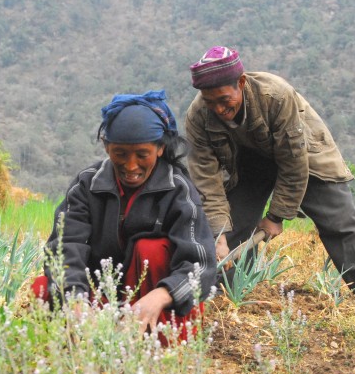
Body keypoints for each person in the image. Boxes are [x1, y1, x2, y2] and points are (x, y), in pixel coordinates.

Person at [184, 46, 355, 298]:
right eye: (210, 102)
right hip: (249, 164)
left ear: (241, 83)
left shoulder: (275, 96)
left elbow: (294, 161)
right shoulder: (198, 116)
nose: (218, 109)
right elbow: (206, 181)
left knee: (340, 221)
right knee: (229, 227)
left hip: (304, 153)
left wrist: (277, 215)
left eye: (223, 100)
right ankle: (226, 294)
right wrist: (218, 234)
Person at [32, 90, 217, 340]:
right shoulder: (87, 184)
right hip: (103, 299)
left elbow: (200, 264)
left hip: (157, 306)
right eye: (120, 154)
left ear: (160, 148)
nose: (131, 166)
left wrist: (162, 295)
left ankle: (158, 344)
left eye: (142, 155)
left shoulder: (178, 190)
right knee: (43, 289)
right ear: (107, 147)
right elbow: (65, 246)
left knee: (150, 250)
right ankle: (89, 343)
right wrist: (76, 299)